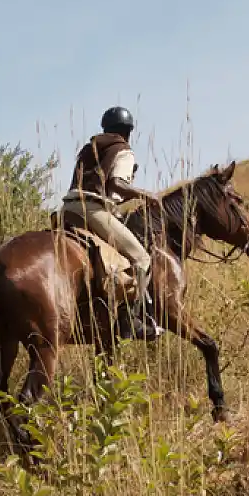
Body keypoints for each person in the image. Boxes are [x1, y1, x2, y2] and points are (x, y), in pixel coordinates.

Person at [61, 106, 164, 340]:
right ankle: (131, 320)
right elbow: (117, 183)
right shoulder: (124, 150)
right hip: (93, 210)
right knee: (141, 259)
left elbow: (105, 186)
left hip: (67, 209)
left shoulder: (88, 149)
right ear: (128, 132)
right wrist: (144, 194)